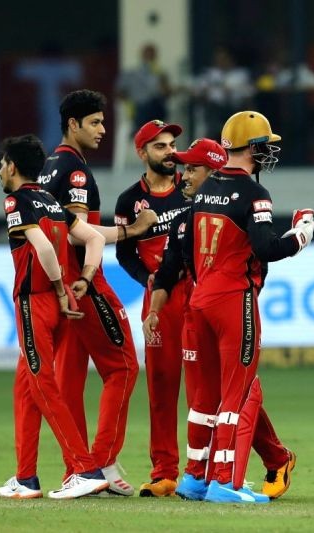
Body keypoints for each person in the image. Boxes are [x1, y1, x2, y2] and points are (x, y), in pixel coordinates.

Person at [181, 111, 313, 504]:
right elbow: (265, 248)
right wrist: (300, 236)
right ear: (253, 148)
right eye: (265, 144)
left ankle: (194, 478)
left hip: (200, 297)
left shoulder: (204, 189)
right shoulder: (255, 195)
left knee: (204, 396)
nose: (269, 151)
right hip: (233, 300)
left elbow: (189, 251)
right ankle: (223, 481)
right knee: (234, 395)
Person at [0, 134, 109, 500]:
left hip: (36, 303)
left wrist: (61, 289)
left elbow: (42, 247)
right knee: (26, 386)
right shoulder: (53, 202)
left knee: (43, 385)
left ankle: (84, 468)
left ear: (12, 166)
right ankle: (26, 477)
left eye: (2, 164)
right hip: (58, 309)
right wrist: (84, 278)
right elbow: (95, 239)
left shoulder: (17, 201)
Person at [40, 89, 140, 495]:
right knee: (124, 367)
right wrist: (134, 230)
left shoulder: (47, 167)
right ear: (73, 125)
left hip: (55, 284)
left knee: (70, 379)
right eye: (95, 122)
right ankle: (99, 464)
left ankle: (78, 469)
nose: (103, 129)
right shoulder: (76, 171)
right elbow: (84, 234)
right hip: (84, 279)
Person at [141, 138, 227, 500]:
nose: (184, 174)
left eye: (192, 168)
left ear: (214, 172)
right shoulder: (183, 219)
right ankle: (201, 476)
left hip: (227, 317)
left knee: (230, 395)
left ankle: (219, 474)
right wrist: (155, 310)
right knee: (210, 397)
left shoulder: (235, 210)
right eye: (184, 167)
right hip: (196, 318)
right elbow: (167, 271)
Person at [112, 119, 188, 497]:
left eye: (172, 144)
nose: (170, 152)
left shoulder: (192, 191)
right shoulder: (129, 201)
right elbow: (124, 253)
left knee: (216, 385)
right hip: (160, 302)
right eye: (160, 146)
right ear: (142, 153)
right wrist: (149, 280)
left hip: (197, 294)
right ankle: (165, 472)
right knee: (161, 385)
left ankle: (213, 468)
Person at [116, 44, 172, 133]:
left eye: (152, 55)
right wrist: (129, 99)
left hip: (155, 110)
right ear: (142, 55)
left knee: (154, 105)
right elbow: (119, 93)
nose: (149, 58)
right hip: (138, 110)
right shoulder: (131, 74)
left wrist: (163, 86)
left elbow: (167, 94)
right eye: (147, 55)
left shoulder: (161, 74)